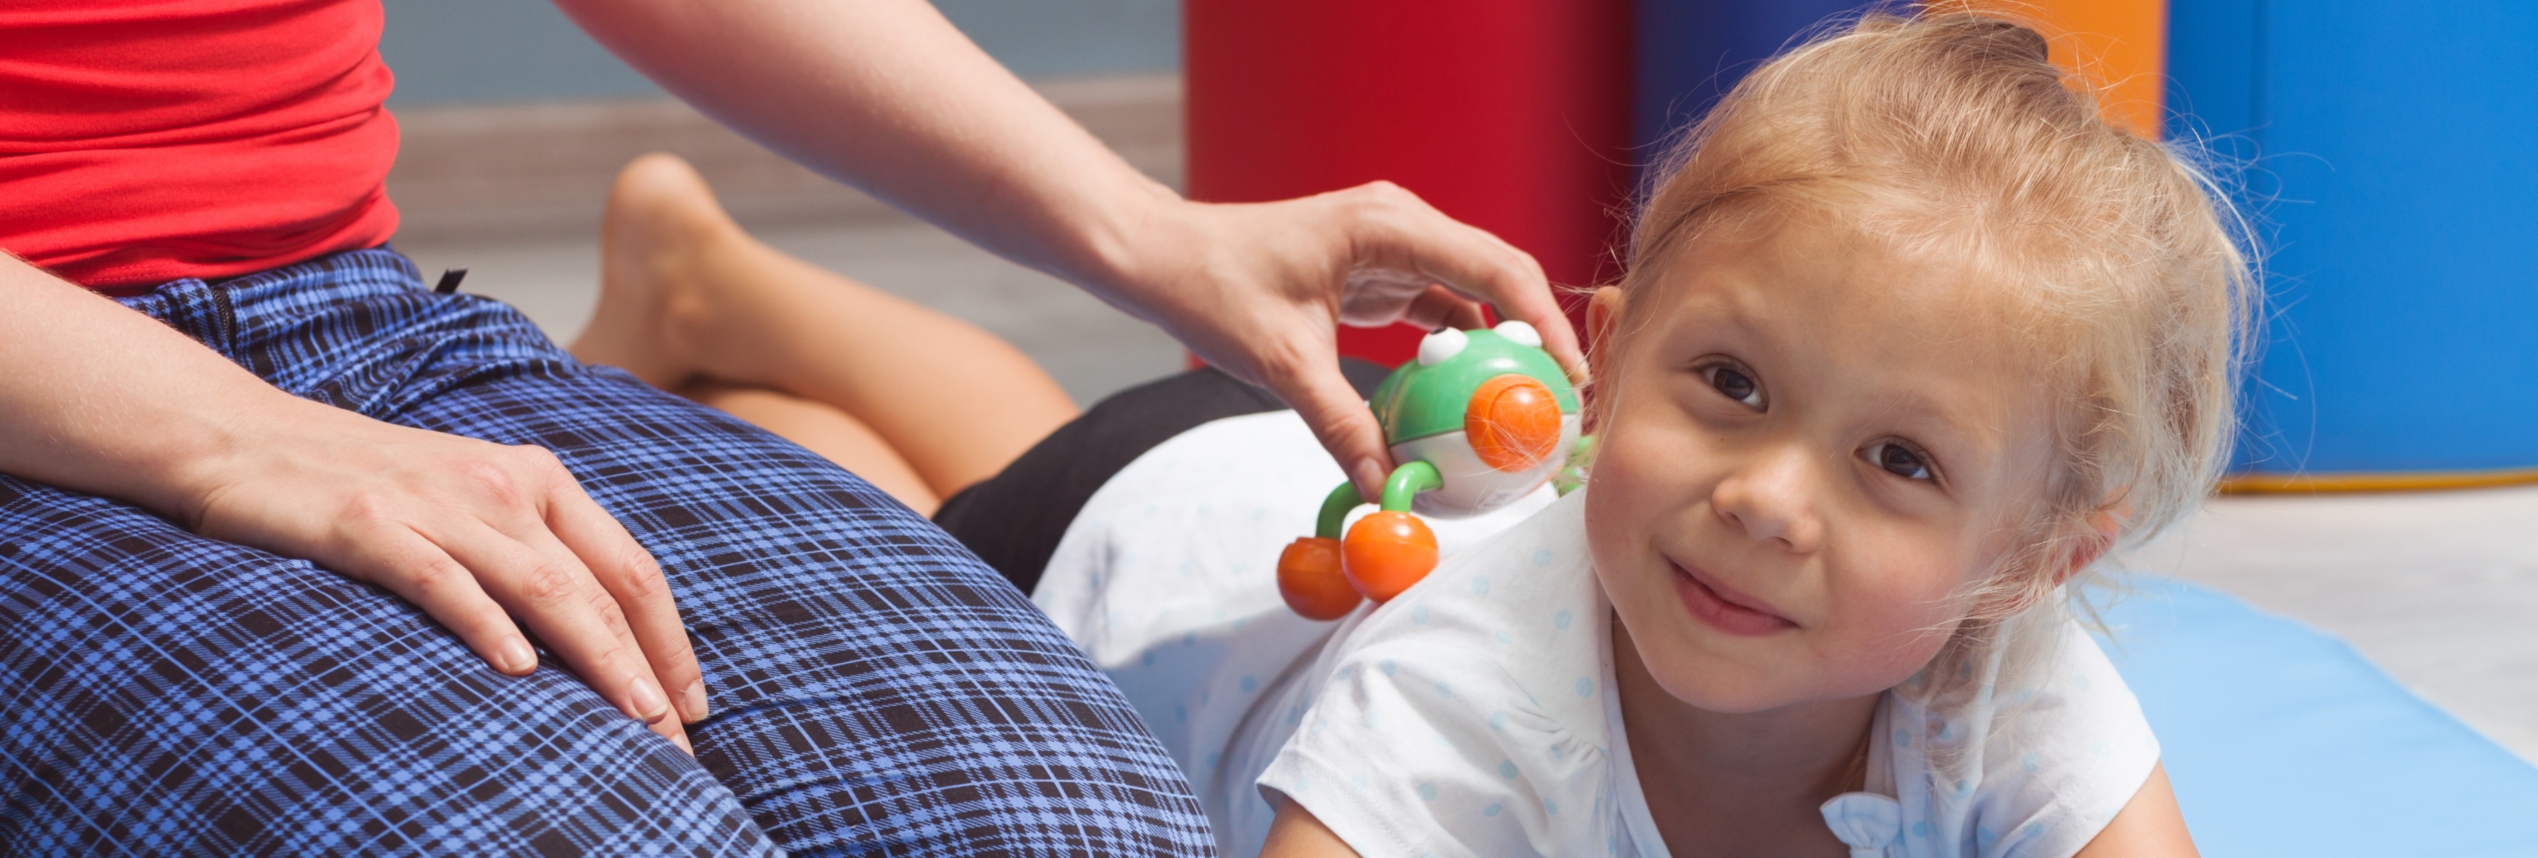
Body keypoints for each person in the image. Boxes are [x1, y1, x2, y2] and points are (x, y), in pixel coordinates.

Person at [593, 11, 2253, 856]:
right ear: (1602, 359)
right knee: (952, 494)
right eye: (1730, 384)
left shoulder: (2005, 680)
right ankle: (740, 347)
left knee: (1049, 425)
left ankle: (708, 276)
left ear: (2032, 558)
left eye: (1899, 461)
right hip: (1123, 550)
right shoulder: (1473, 699)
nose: (1762, 495)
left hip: (1287, 491)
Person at [0, 1, 1582, 854]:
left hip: (364, 323)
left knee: (1075, 827)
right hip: (59, 411)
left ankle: (702, 325)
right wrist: (227, 438)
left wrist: (1155, 233)